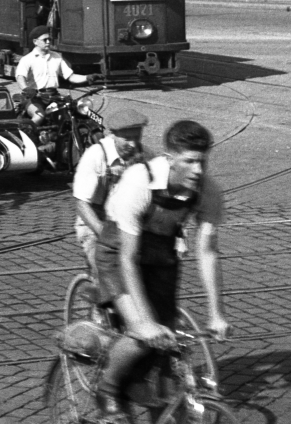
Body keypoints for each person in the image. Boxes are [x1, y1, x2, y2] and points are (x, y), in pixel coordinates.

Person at [93, 120, 229, 423]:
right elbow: (128, 258)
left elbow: (207, 252)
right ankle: (108, 388)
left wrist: (216, 313)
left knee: (167, 339)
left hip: (160, 254)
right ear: (170, 158)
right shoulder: (139, 182)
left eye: (202, 161)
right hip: (118, 252)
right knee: (142, 333)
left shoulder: (208, 191)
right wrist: (143, 321)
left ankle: (153, 398)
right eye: (189, 161)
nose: (197, 170)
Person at [72, 106, 149, 275]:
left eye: (137, 138)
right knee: (106, 270)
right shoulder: (96, 156)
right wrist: (103, 235)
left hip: (127, 223)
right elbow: (81, 204)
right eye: (127, 139)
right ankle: (94, 295)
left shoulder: (144, 155)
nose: (133, 144)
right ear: (113, 135)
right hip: (95, 223)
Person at [15, 25, 89, 122]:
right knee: (39, 116)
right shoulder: (27, 59)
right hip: (35, 98)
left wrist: (88, 77)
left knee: (71, 114)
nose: (48, 42)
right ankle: (27, 135)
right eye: (45, 40)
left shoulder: (56, 57)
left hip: (53, 96)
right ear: (35, 42)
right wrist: (26, 89)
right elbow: (20, 77)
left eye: (49, 39)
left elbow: (71, 76)